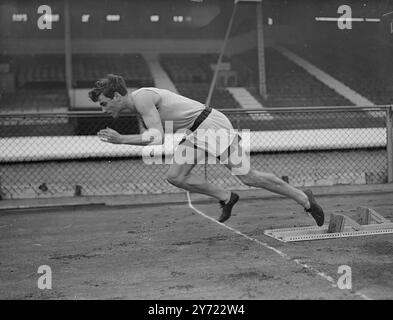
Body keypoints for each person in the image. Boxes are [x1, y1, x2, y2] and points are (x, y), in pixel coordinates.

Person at [89, 74, 324, 226]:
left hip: (211, 125)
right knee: (175, 176)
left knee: (248, 177)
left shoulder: (141, 99)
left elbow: (157, 137)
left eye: (104, 103)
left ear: (117, 96)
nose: (103, 109)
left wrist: (120, 141)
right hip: (196, 131)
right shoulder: (139, 105)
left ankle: (305, 199)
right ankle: (226, 197)